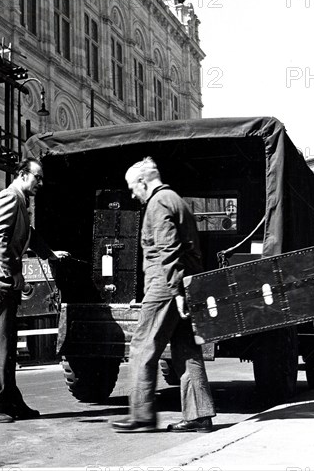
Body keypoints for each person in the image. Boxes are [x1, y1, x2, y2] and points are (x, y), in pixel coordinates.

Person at [112, 157, 216, 433]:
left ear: (143, 182)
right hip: (183, 284)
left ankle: (142, 415)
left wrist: (174, 289)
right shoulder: (176, 200)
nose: (133, 194)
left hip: (165, 285)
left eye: (133, 187)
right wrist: (182, 290)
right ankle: (200, 415)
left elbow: (167, 249)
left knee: (142, 347)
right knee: (186, 348)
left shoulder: (158, 204)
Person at [0, 158, 70, 423]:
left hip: (5, 283)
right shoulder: (8, 197)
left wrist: (49, 254)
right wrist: (14, 272)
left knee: (5, 347)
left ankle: (9, 401)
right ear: (23, 174)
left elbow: (29, 234)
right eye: (37, 178)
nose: (40, 183)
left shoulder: (21, 203)